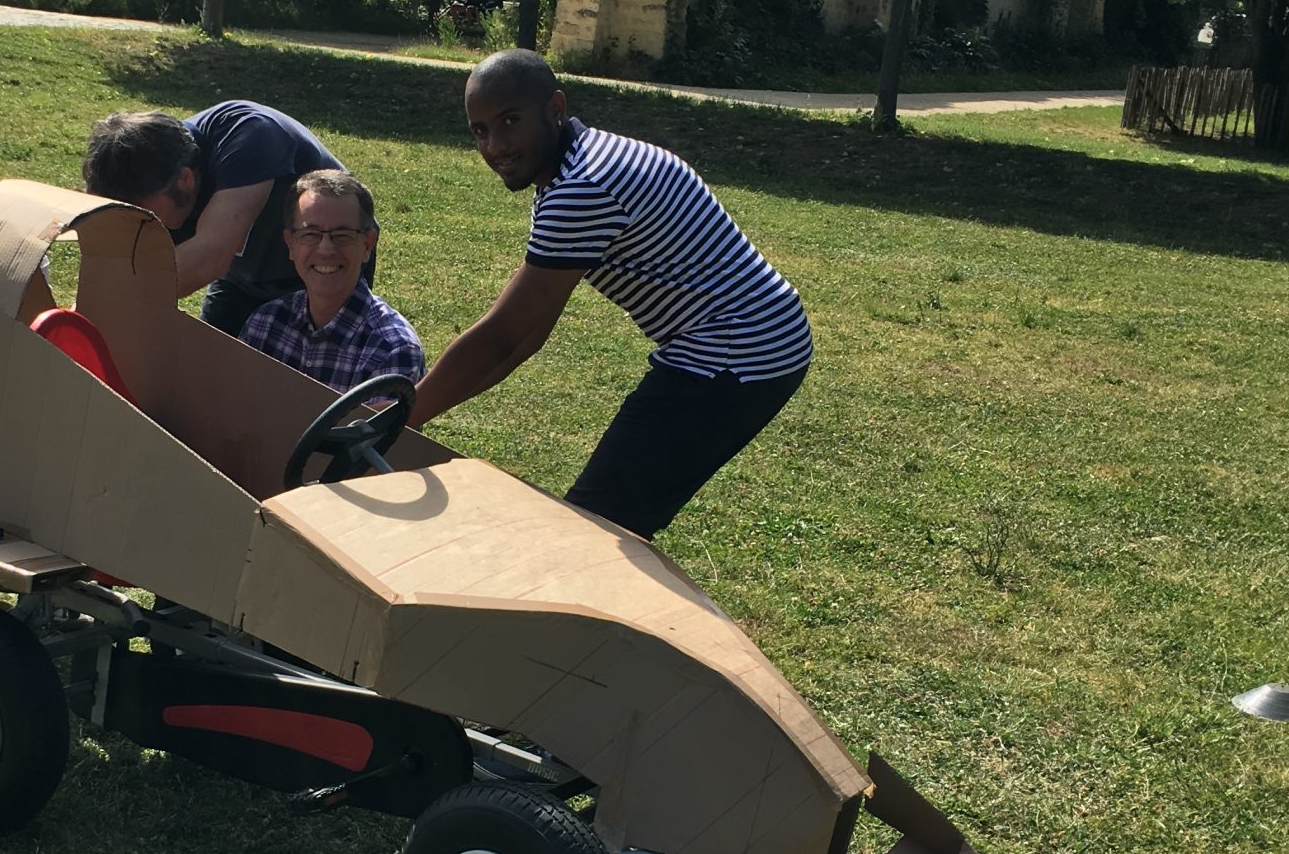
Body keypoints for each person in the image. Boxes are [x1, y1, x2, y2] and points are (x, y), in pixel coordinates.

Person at [406, 51, 811, 541]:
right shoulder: (579, 162)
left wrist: (397, 420)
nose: (496, 146)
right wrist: (412, 419)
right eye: (480, 130)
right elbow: (528, 334)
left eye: (510, 121)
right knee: (608, 521)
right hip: (757, 338)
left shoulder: (584, 186)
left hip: (738, 352)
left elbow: (503, 336)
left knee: (596, 526)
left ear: (555, 108)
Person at [80, 102, 349, 337]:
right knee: (209, 366)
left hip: (323, 269)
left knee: (307, 374)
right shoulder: (157, 171)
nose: (134, 225)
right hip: (242, 276)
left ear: (185, 179)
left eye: (143, 213)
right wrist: (82, 318)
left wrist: (107, 306)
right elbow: (121, 267)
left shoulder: (251, 136)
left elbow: (209, 258)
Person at [241, 171, 425, 389]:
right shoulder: (265, 324)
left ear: (367, 245)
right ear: (291, 243)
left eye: (342, 235)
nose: (326, 249)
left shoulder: (392, 349)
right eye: (311, 234)